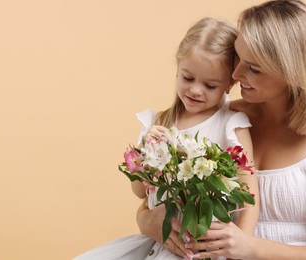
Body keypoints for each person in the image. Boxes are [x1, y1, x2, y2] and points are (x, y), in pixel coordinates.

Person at [137, 0, 306, 259]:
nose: (236, 73)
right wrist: (146, 219)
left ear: (294, 73)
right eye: (237, 58)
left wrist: (250, 248)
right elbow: (158, 193)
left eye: (253, 68)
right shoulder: (220, 117)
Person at [73, 17, 259, 260]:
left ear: (229, 84)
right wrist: (145, 152)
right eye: (188, 78)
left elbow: (250, 198)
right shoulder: (160, 122)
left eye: (210, 85)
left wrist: (238, 252)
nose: (195, 90)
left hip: (203, 249)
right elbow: (140, 191)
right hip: (159, 241)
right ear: (178, 68)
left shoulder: (230, 126)